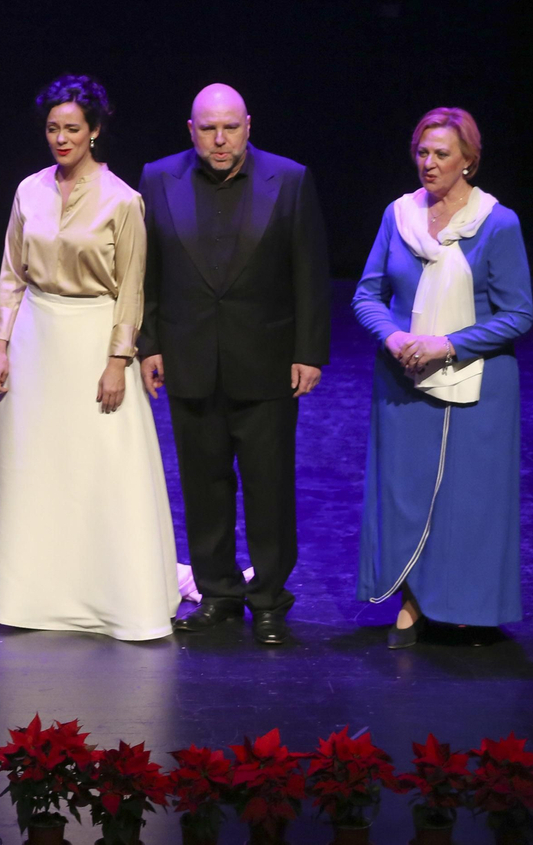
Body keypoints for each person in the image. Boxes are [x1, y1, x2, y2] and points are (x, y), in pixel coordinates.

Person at [0, 75, 178, 640]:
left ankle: (102, 592)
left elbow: (131, 289)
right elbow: (11, 275)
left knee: (95, 469)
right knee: (30, 465)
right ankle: (20, 589)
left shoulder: (123, 200)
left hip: (93, 339)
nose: (61, 139)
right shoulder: (29, 191)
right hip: (35, 338)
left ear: (94, 131)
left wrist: (119, 359)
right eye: (53, 129)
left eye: (73, 129)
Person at [137, 82, 330, 645]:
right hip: (189, 358)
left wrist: (309, 352)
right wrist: (150, 344)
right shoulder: (159, 177)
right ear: (190, 130)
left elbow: (310, 273)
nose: (220, 140)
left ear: (248, 124)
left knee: (270, 485)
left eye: (230, 128)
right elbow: (147, 273)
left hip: (267, 359)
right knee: (204, 484)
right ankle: (219, 592)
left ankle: (269, 597)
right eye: (208, 129)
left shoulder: (289, 179)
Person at [352, 108, 533, 647]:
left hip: (478, 383)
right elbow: (368, 293)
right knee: (405, 493)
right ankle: (410, 602)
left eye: (442, 155)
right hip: (403, 379)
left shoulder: (498, 224)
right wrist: (394, 337)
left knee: (467, 500)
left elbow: (517, 313)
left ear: (469, 162)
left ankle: (464, 607)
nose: (428, 164)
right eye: (423, 153)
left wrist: (447, 344)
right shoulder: (399, 216)